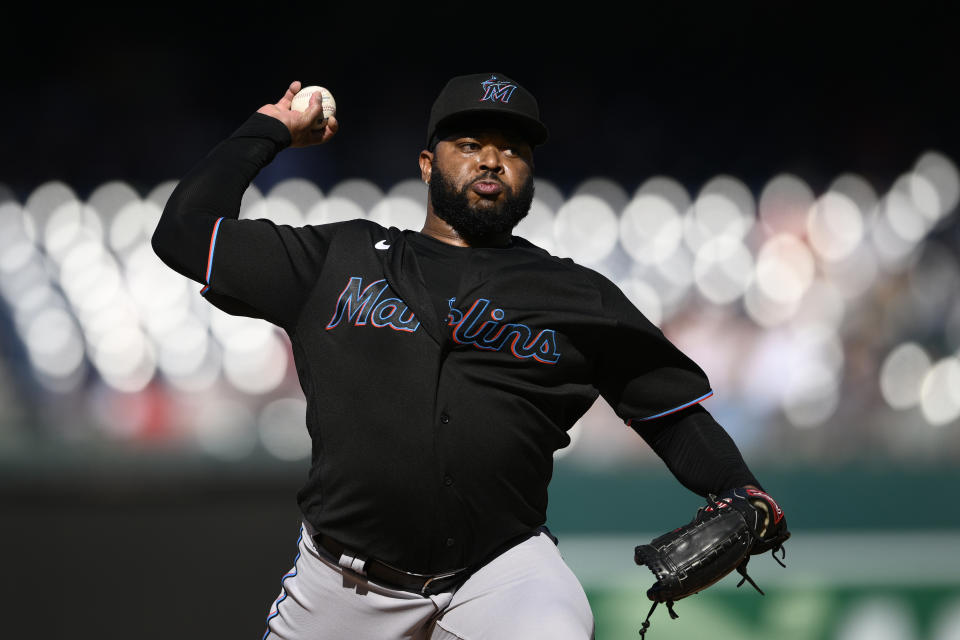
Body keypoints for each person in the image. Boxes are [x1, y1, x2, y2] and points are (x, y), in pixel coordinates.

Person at [152, 72, 784, 640]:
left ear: (530, 173)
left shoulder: (576, 295)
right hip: (344, 584)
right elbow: (182, 233)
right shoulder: (336, 260)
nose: (492, 159)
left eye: (513, 148)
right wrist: (270, 129)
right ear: (427, 164)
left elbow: (669, 413)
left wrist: (743, 491)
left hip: (501, 572)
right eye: (470, 143)